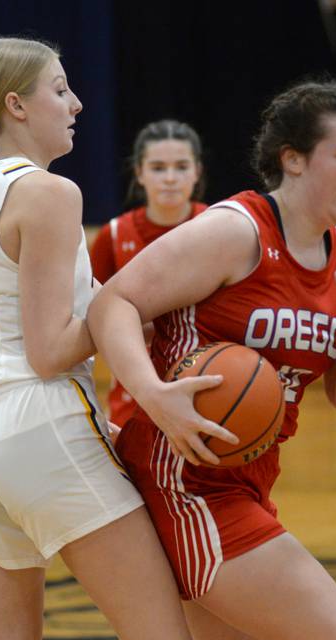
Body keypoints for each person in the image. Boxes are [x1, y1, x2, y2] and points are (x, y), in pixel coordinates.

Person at [88, 80, 336, 640]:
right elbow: (111, 305)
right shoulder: (236, 231)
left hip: (248, 479)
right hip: (184, 478)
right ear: (294, 159)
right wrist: (153, 395)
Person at [0, 37, 193, 640]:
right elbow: (50, 349)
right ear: (17, 106)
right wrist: (129, 302)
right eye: (60, 89)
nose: (76, 103)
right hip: (39, 422)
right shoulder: (51, 193)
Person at [90, 119, 207, 428]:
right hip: (133, 398)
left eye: (181, 167)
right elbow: (89, 321)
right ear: (139, 173)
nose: (170, 178)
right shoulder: (113, 236)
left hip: (208, 388)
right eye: (157, 168)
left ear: (197, 171)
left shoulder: (221, 227)